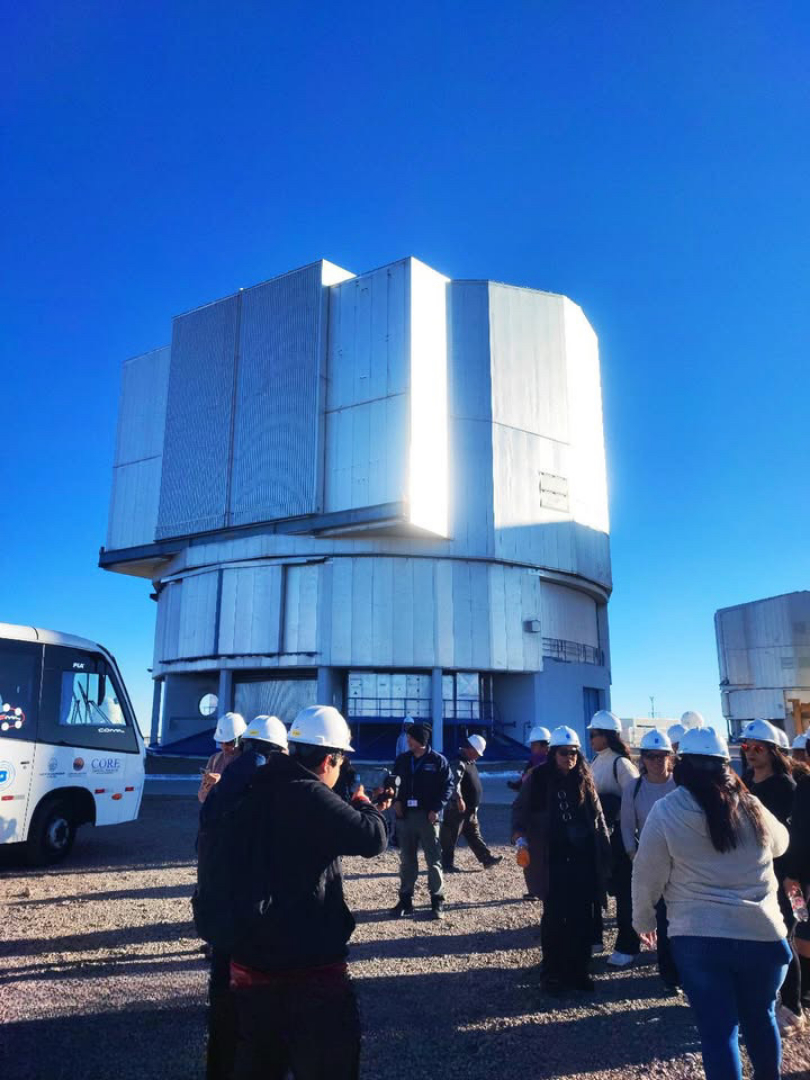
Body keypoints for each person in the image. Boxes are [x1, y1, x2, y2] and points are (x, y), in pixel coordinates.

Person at [227, 704, 390, 1080]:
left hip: (251, 955)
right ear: (329, 759)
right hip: (306, 965)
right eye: (341, 762)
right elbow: (373, 837)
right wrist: (364, 802)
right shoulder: (309, 793)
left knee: (258, 1063)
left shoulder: (258, 784)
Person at [632, 726, 791, 1080]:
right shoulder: (751, 805)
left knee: (719, 1032)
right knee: (761, 1018)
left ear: (682, 765)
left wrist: (643, 921)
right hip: (764, 937)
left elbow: (646, 874)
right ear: (725, 765)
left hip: (699, 939)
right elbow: (781, 844)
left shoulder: (667, 810)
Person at [198, 715, 288, 1080]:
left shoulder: (235, 781)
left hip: (221, 906)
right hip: (250, 912)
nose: (225, 748)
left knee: (223, 999)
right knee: (252, 1002)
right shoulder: (267, 782)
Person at [512, 725, 611, 994]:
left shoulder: (584, 777)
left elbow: (598, 817)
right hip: (552, 858)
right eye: (564, 753)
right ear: (553, 753)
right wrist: (520, 838)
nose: (570, 757)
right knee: (555, 918)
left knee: (582, 916)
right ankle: (552, 974)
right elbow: (519, 809)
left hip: (582, 858)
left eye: (574, 752)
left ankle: (579, 971)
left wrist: (605, 851)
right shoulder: (538, 778)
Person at [741, 718, 803, 1035]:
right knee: (755, 937)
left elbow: (796, 837)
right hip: (752, 873)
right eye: (746, 746)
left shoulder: (785, 787)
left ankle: (792, 1007)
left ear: (773, 751)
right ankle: (763, 999)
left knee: (784, 937)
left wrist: (793, 876)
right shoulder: (744, 782)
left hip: (784, 876)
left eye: (758, 748)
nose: (751, 752)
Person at [620, 729, 679, 992]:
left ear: (670, 757)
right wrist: (634, 855)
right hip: (652, 861)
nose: (656, 761)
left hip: (682, 861)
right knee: (663, 917)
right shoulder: (633, 788)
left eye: (662, 755)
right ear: (642, 759)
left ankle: (686, 969)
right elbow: (626, 824)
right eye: (651, 756)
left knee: (681, 918)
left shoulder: (680, 785)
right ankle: (670, 976)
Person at [587, 710, 640, 965]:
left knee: (625, 893)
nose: (591, 739)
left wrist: (613, 808)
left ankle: (628, 944)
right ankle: (595, 938)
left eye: (594, 734)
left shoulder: (621, 764)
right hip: (601, 835)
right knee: (600, 888)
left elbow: (636, 799)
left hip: (619, 835)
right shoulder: (597, 761)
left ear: (607, 736)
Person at [389, 722, 454, 920]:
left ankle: (437, 900)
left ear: (421, 740)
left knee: (433, 861)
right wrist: (396, 801)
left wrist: (436, 808)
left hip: (428, 817)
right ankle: (405, 900)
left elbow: (448, 786)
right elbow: (392, 783)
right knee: (407, 861)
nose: (408, 741)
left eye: (411, 738)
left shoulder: (438, 761)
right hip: (405, 817)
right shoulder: (403, 760)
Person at [440, 734, 503, 872]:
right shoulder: (458, 762)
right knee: (450, 836)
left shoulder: (469, 762)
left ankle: (486, 859)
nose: (478, 756)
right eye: (477, 753)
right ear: (470, 749)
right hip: (457, 809)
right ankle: (446, 865)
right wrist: (459, 799)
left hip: (469, 810)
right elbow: (454, 783)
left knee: (473, 834)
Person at [199, 712, 247, 803]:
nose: (224, 746)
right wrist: (207, 788)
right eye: (221, 742)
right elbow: (201, 796)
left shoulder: (248, 761)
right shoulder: (214, 759)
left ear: (241, 739)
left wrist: (221, 782)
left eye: (229, 742)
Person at [507, 725, 551, 792]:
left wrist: (535, 769)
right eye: (531, 744)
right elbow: (527, 772)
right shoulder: (535, 758)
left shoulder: (552, 758)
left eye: (534, 745)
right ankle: (520, 784)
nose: (531, 747)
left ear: (545, 746)